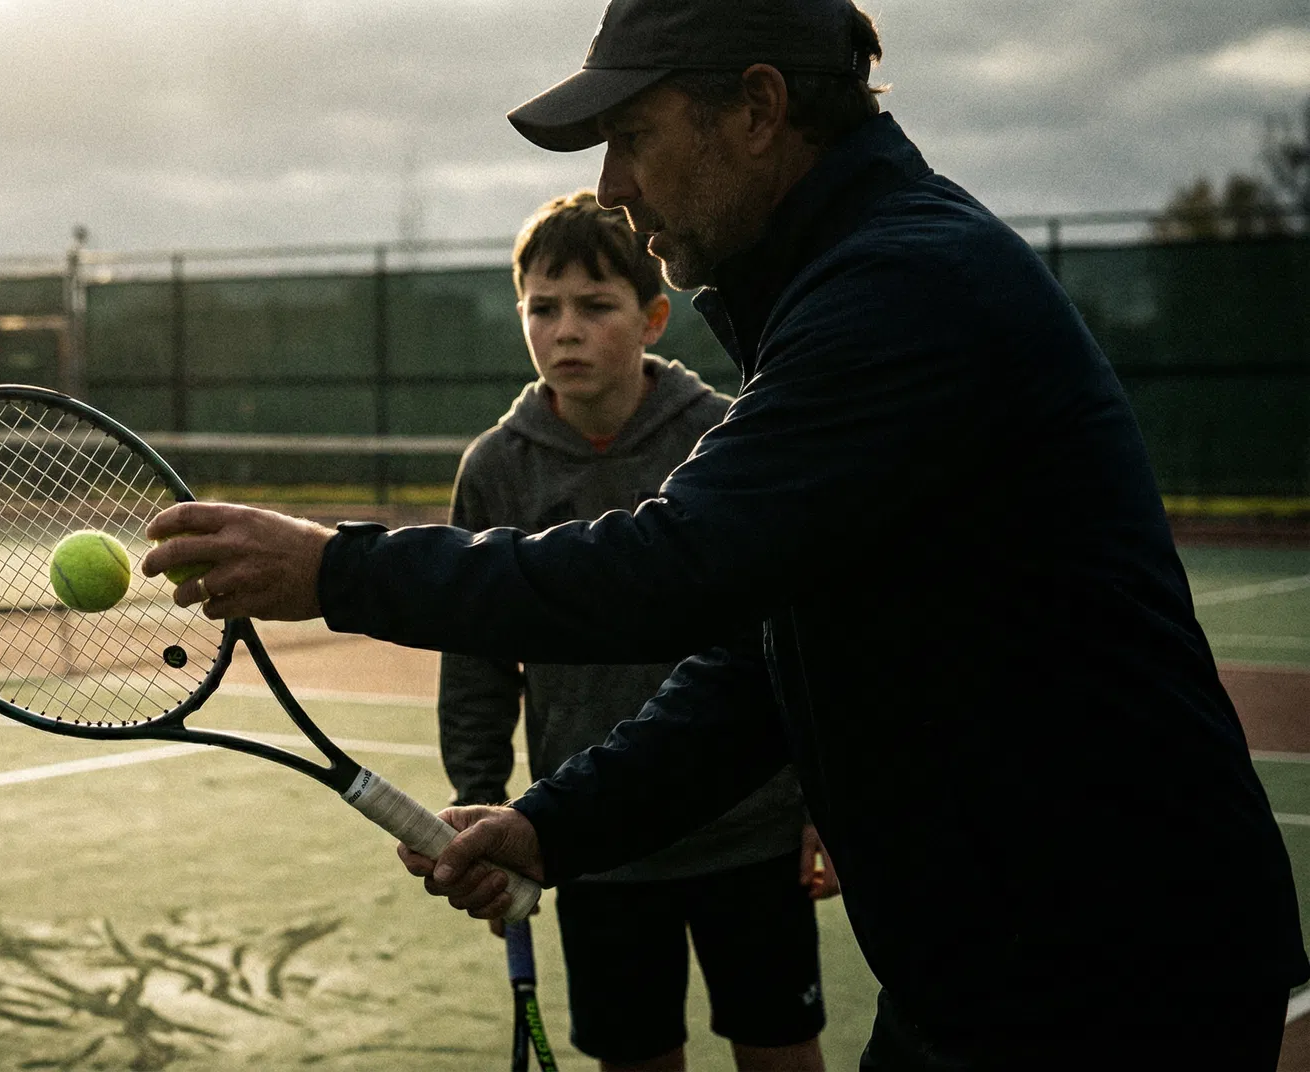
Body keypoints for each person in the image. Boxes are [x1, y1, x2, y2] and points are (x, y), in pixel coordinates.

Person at [141, 0, 1310, 1066]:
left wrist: (334, 568)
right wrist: (551, 827)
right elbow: (762, 663)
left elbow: (671, 569)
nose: (611, 186)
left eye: (633, 136)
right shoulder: (847, 284)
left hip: (1108, 972)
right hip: (1003, 964)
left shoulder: (902, 290)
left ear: (757, 109)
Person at [443, 188, 834, 1072]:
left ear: (654, 318)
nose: (565, 332)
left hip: (749, 834)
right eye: (543, 308)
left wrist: (820, 806)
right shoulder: (495, 469)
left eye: (595, 306)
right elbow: (477, 661)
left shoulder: (729, 435)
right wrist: (482, 802)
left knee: (781, 1051)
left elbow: (797, 630)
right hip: (593, 847)